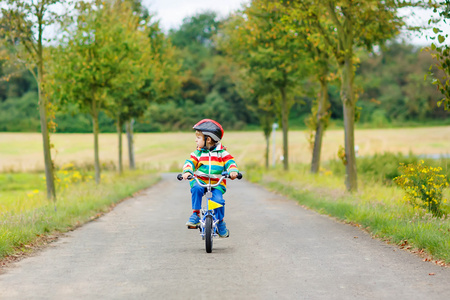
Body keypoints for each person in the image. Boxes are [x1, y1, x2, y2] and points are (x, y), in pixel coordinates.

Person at [181, 119, 239, 238]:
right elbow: (190, 162)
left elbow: (230, 162)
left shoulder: (222, 153)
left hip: (216, 184)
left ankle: (221, 222)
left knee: (218, 202)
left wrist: (233, 171)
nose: (195, 140)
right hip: (200, 181)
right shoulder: (198, 153)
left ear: (208, 139)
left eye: (198, 138)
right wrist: (187, 171)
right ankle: (195, 214)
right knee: (196, 188)